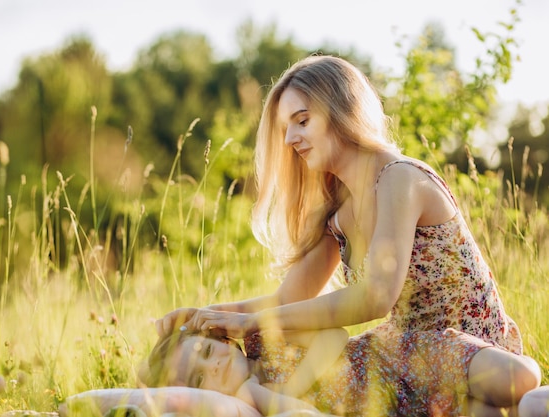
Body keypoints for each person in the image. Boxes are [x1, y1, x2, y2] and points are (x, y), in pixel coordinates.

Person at [155, 55, 545, 414]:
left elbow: (376, 296)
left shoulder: (399, 178)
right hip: (405, 362)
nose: (290, 139)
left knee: (503, 393)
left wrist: (254, 323)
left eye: (302, 120)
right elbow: (287, 299)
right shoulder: (336, 213)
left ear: (341, 111)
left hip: (472, 346)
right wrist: (209, 315)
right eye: (285, 128)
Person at [142, 326, 540, 416]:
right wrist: (252, 392)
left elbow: (335, 333)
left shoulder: (263, 336)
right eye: (199, 377)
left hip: (403, 356)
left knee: (521, 380)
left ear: (222, 340)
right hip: (411, 408)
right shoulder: (255, 403)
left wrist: (296, 382)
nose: (213, 366)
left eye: (206, 351)